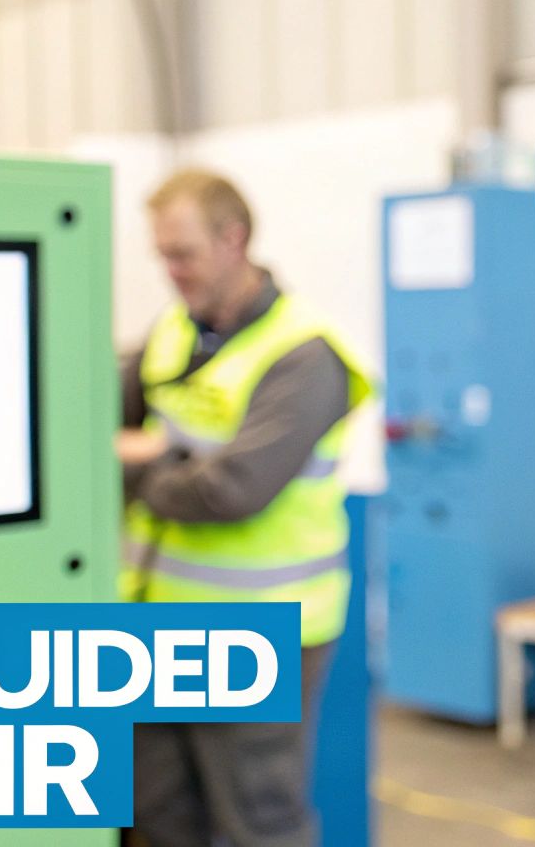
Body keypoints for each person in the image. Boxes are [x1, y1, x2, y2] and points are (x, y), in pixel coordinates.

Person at [117, 168, 370, 847]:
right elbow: (97, 428)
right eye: (162, 255)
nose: (171, 272)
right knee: (157, 815)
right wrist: (137, 457)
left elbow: (231, 491)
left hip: (261, 631)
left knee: (258, 823)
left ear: (235, 240)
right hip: (156, 624)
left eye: (183, 254)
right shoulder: (171, 334)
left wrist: (139, 464)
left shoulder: (304, 354)